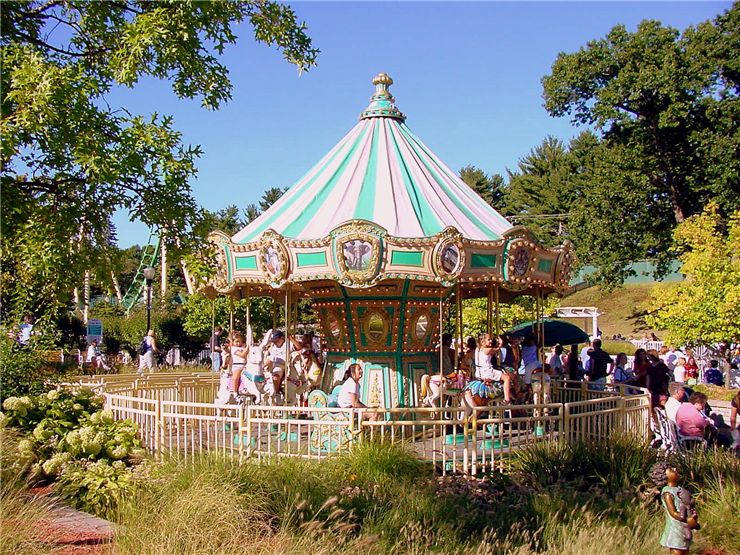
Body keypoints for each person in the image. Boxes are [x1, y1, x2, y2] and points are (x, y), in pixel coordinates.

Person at [463, 333, 512, 405]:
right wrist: (500, 343)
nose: (491, 341)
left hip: (478, 373)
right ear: (482, 342)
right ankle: (507, 399)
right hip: (487, 372)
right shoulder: (487, 350)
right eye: (488, 340)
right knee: (507, 378)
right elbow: (497, 349)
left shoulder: (477, 349)